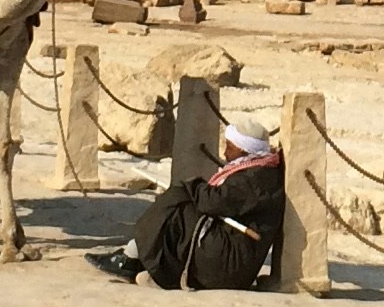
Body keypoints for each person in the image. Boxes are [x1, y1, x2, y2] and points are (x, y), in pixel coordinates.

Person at [95, 120, 285, 290]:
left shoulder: (254, 180)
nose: (225, 153)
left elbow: (213, 201)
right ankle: (142, 259)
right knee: (179, 203)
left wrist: (192, 186)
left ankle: (132, 258)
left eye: (230, 147)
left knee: (178, 208)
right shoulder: (258, 172)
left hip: (231, 264)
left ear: (244, 150)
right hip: (235, 258)